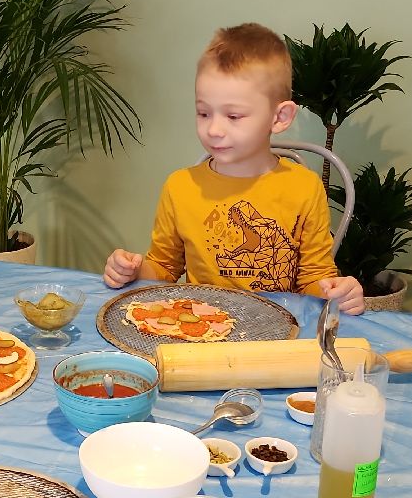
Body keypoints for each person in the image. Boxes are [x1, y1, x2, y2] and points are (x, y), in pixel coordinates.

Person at [103, 23, 365, 313]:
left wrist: (337, 292)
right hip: (201, 328)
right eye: (203, 112)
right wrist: (133, 271)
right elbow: (163, 268)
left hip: (275, 333)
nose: (214, 129)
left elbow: (314, 280)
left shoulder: (305, 187)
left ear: (280, 117)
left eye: (234, 116)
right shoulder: (180, 187)